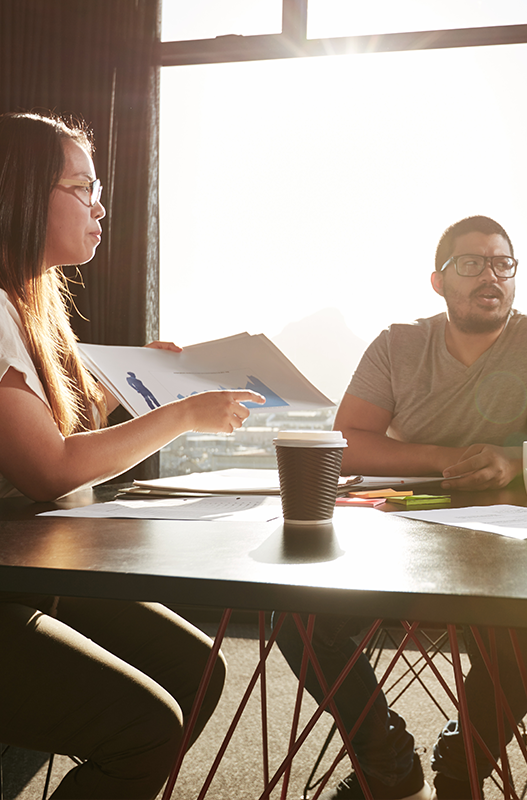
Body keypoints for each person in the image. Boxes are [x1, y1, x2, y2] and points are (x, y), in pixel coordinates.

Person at [0, 110, 265, 798]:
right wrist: (182, 415)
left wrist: (138, 383)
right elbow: (49, 467)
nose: (100, 206)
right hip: (8, 582)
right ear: (22, 193)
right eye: (81, 187)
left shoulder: (25, 305)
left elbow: (55, 428)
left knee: (198, 671)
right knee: (144, 728)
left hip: (30, 571)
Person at [275, 215, 527, 799]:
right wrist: (450, 460)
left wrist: (512, 464)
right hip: (399, 531)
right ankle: (386, 760)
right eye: (472, 264)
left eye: (503, 263)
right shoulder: (398, 342)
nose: (490, 276)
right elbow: (350, 441)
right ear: (439, 282)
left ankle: (463, 763)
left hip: (511, 540)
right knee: (298, 618)